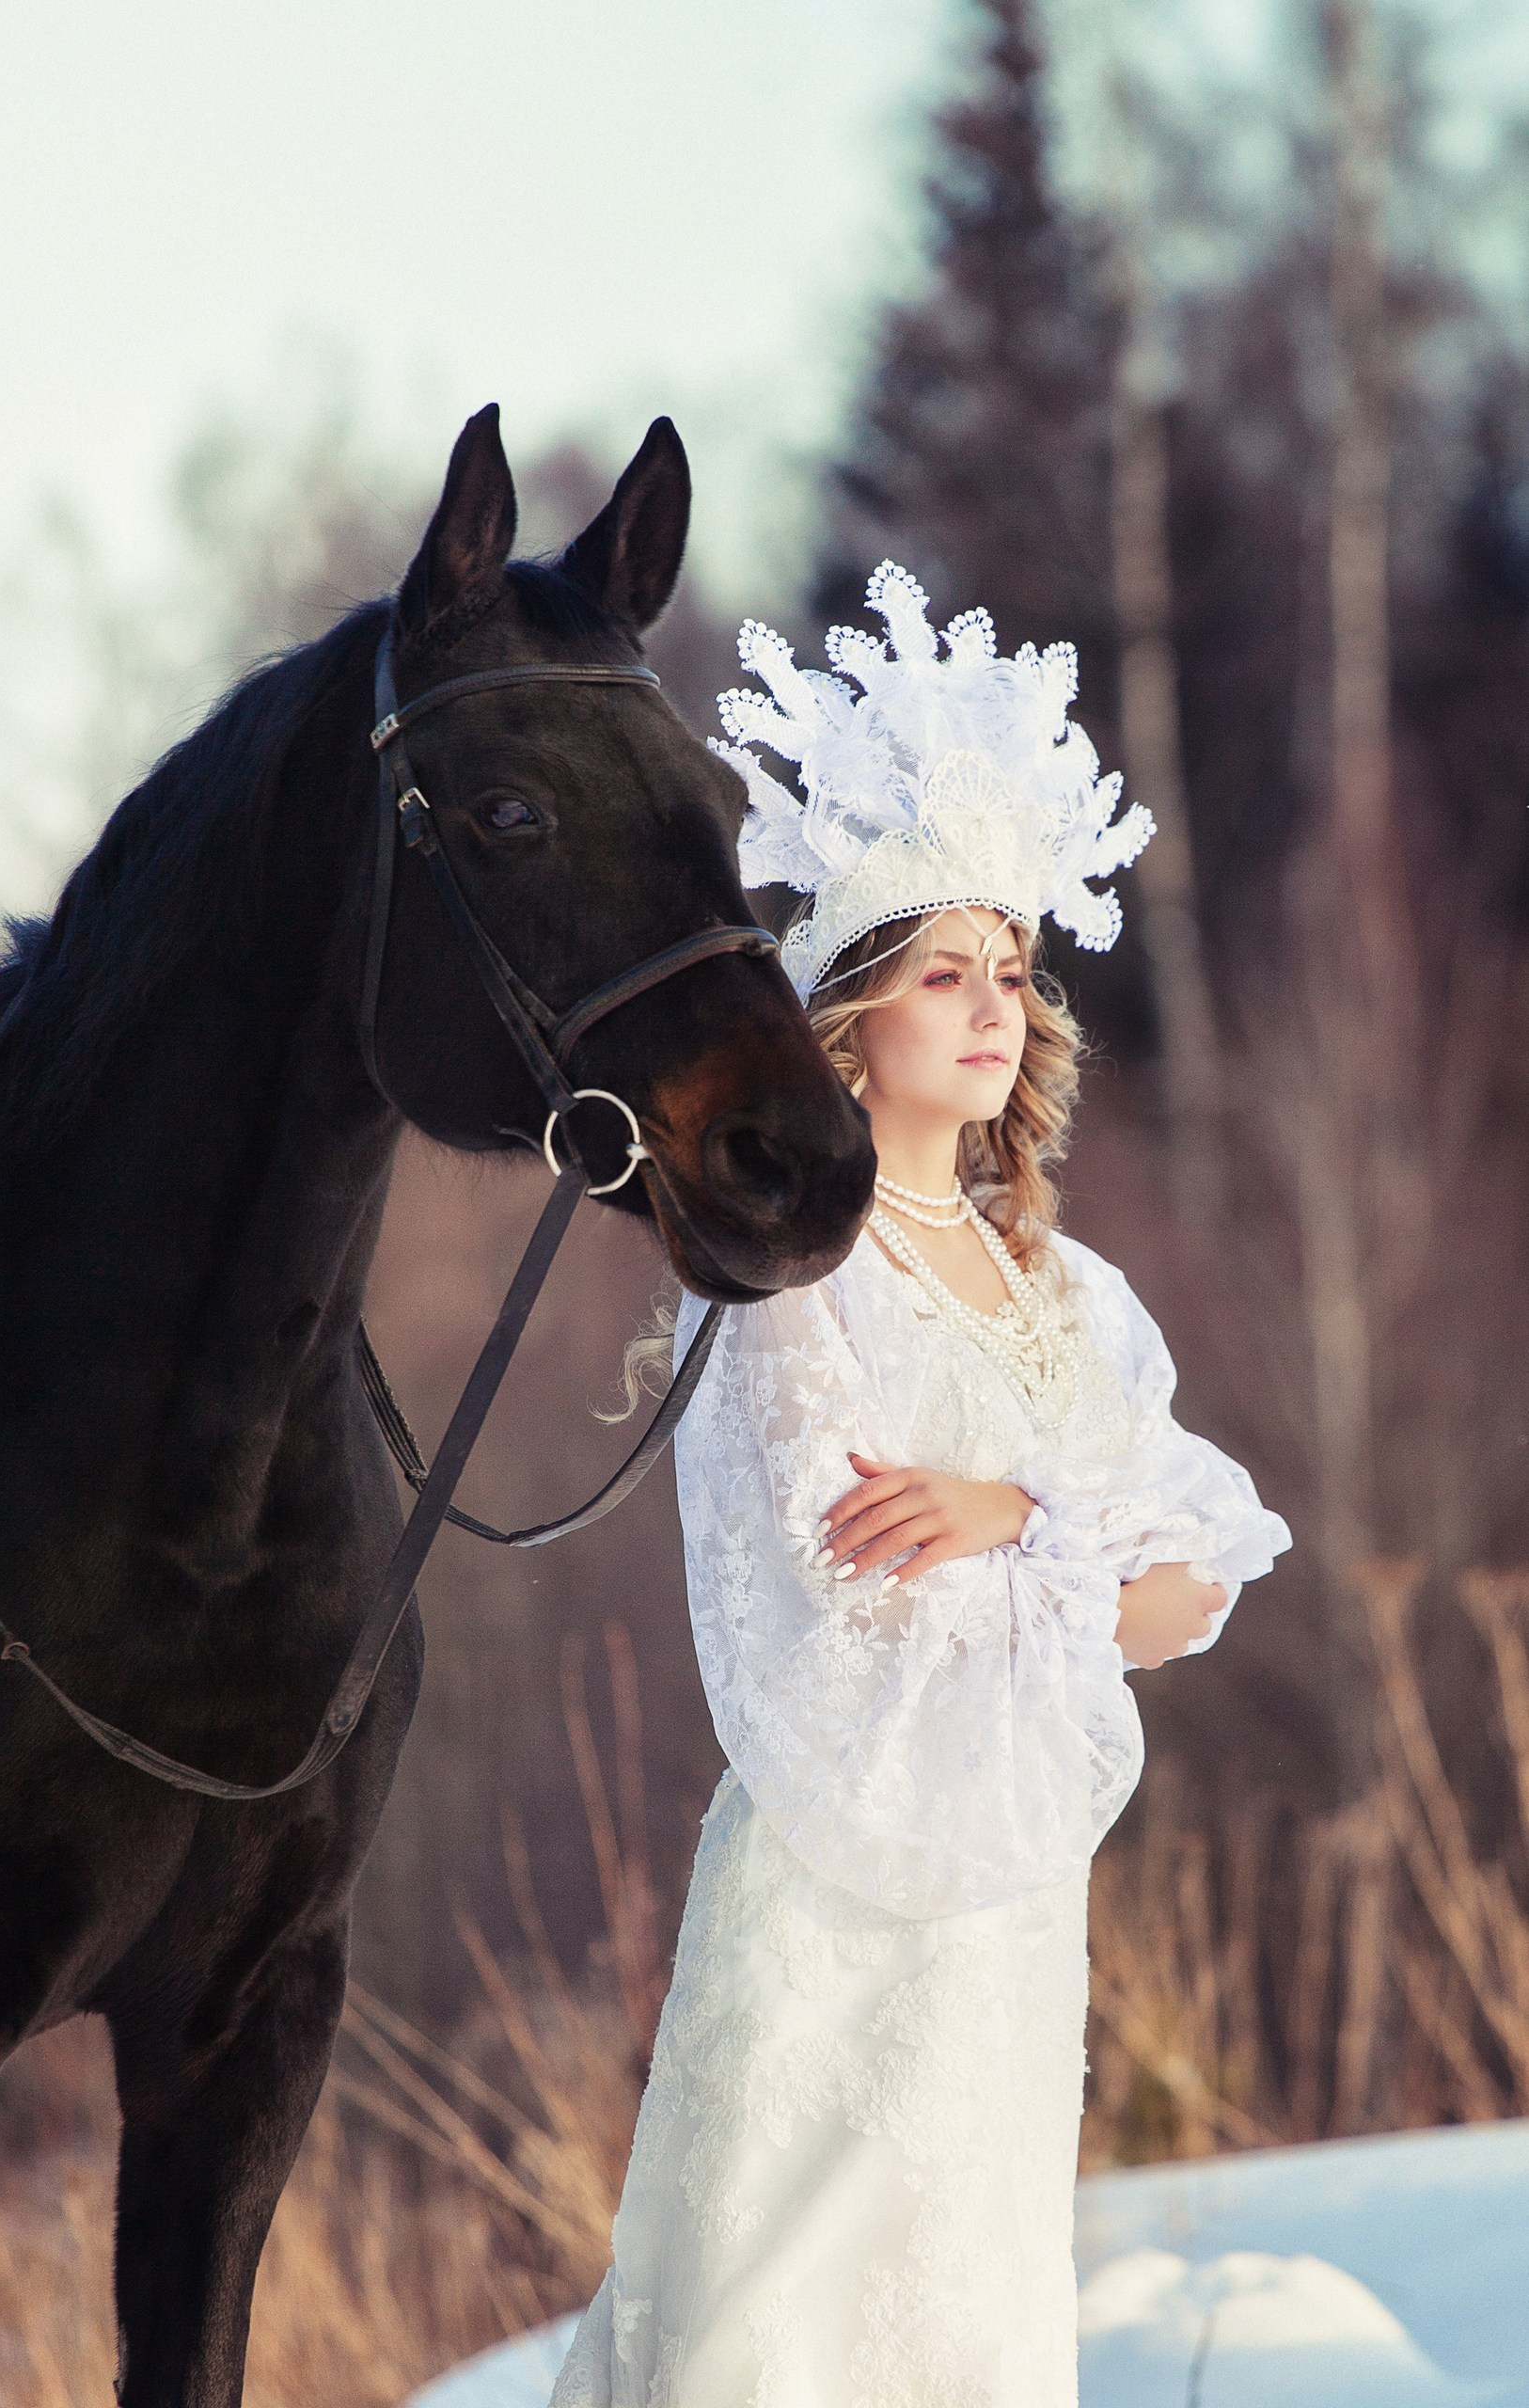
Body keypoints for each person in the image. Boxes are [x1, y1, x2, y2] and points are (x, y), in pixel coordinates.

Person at [548, 563, 1290, 2407]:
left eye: (1009, 972)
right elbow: (855, 1585)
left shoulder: (1072, 1294)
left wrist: (1016, 1514)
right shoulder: (790, 1271)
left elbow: (1189, 1581)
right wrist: (1046, 1552)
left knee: (970, 2335)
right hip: (826, 1910)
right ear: (850, 1013)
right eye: (939, 972)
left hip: (1006, 1930)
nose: (986, 1005)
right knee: (773, 2339)